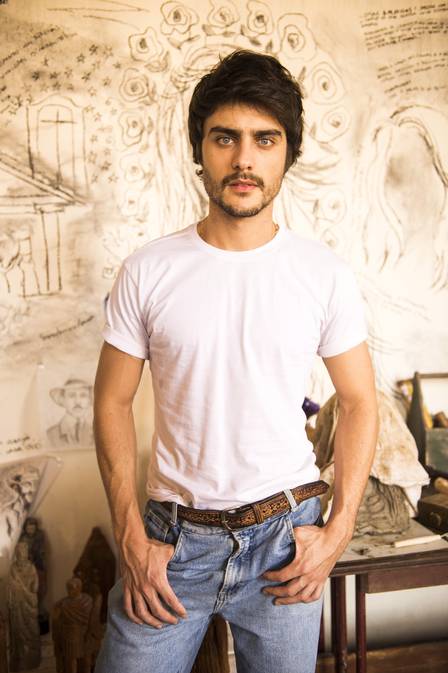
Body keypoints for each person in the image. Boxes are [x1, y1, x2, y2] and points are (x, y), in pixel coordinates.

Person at [93, 49, 378, 673]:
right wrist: (129, 536)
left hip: (285, 544)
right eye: (225, 138)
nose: (244, 159)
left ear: (287, 154)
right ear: (200, 149)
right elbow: (111, 401)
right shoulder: (148, 269)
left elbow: (360, 402)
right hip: (172, 545)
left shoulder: (322, 273)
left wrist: (337, 532)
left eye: (264, 139)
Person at [47, 378, 94, 448]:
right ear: (63, 400)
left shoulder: (96, 432)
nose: (77, 401)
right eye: (72, 395)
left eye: (83, 395)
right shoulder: (50, 434)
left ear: (89, 400)